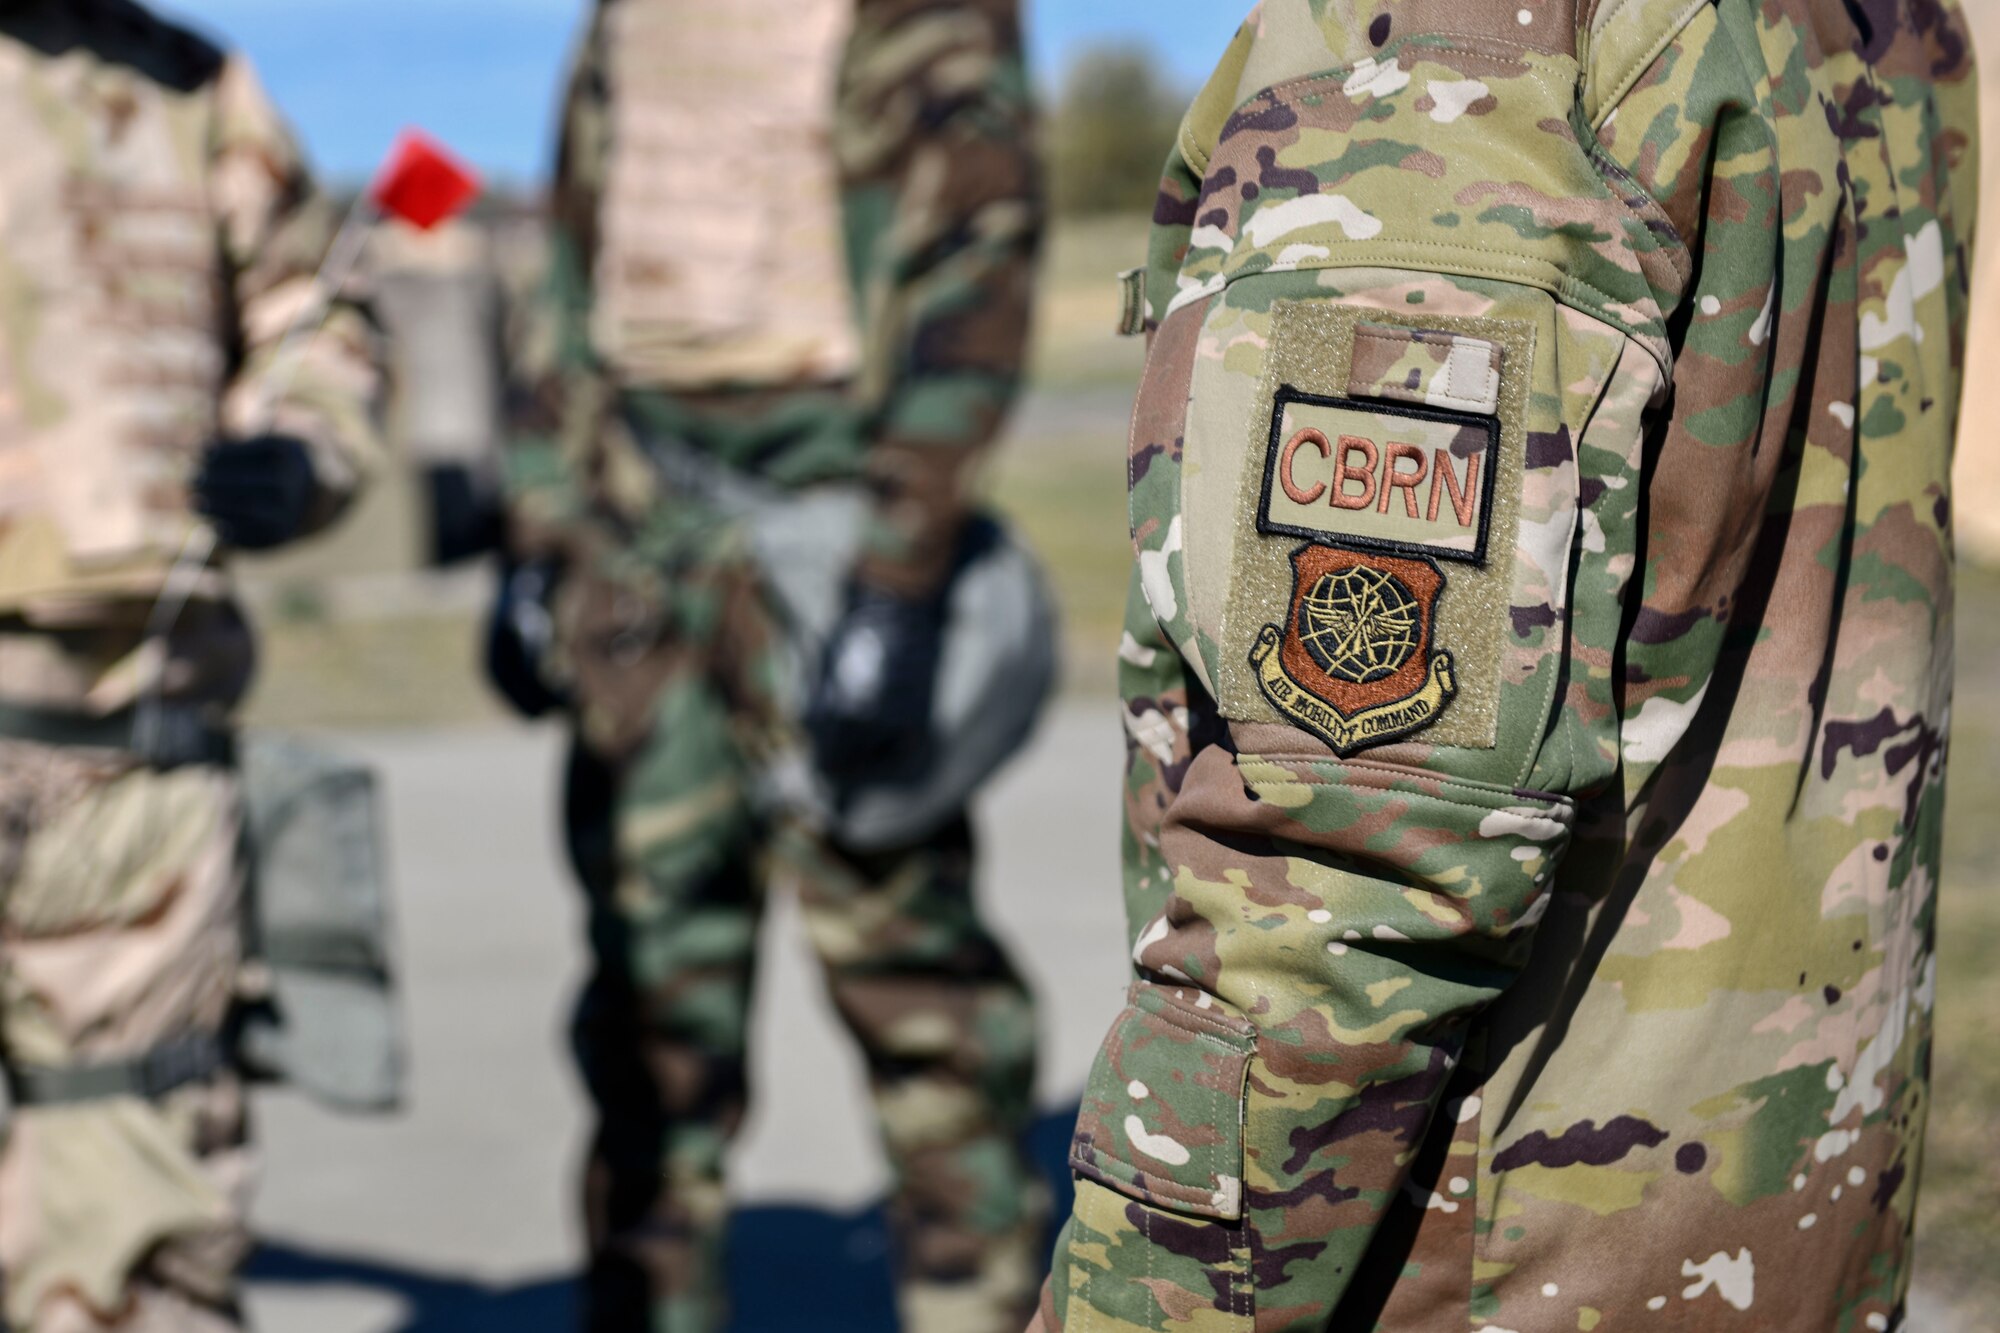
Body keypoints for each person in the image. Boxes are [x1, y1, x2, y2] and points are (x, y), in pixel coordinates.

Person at [1034, 2, 1976, 1330]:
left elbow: (1343, 891)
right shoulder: (1889, 32)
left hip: (1476, 1257)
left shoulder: (1469, 32)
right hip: (1778, 1221)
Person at [495, 1, 1046, 1328]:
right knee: (648, 1021)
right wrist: (537, 529)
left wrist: (901, 578)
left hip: (832, 541)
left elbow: (981, 257)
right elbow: (571, 265)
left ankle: (978, 1300)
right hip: (638, 568)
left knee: (924, 1005)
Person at [0, 1, 384, 1329]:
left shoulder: (194, 89)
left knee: (141, 1214)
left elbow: (312, 314)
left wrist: (300, 448)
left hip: (125, 743)